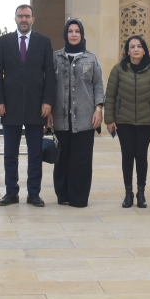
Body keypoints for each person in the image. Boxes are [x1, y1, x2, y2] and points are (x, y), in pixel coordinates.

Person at [0, 4, 55, 206]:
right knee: (10, 154)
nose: (24, 20)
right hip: (9, 106)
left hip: (37, 106)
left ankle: (34, 193)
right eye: (20, 16)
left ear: (33, 19)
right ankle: (11, 192)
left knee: (35, 154)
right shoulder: (4, 42)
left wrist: (48, 102)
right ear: (15, 19)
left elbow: (50, 76)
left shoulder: (44, 42)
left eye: (27, 16)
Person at [50, 19, 105, 207]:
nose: (74, 34)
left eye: (77, 31)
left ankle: (79, 198)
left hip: (85, 118)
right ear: (66, 34)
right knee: (62, 159)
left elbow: (98, 85)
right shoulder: (55, 57)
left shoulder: (91, 58)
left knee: (81, 160)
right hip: (60, 118)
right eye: (70, 31)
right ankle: (63, 195)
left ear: (82, 35)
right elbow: (48, 85)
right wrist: (48, 109)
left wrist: (99, 109)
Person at [106, 34, 150, 208]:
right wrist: (110, 120)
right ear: (127, 51)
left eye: (139, 46)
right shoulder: (118, 70)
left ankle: (141, 192)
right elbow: (110, 96)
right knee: (127, 156)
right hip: (124, 121)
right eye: (132, 47)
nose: (136, 49)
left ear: (144, 50)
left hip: (145, 122)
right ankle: (128, 193)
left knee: (141, 156)